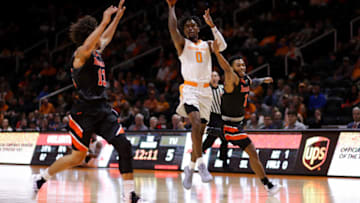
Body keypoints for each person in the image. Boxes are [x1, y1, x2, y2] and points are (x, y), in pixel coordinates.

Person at [32, 1, 142, 201]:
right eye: (97, 34)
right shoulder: (80, 54)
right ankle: (41, 178)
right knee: (77, 157)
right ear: (89, 35)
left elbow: (106, 37)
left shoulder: (97, 51)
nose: (101, 37)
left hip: (102, 109)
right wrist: (104, 20)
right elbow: (95, 40)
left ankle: (129, 195)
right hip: (83, 112)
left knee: (124, 145)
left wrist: (116, 18)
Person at [166, 0, 227, 189]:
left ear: (198, 28)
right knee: (195, 122)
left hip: (205, 91)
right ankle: (201, 164)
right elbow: (172, 29)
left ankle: (190, 167)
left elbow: (223, 46)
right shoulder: (182, 44)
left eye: (193, 25)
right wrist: (171, 8)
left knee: (199, 134)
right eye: (187, 26)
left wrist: (212, 26)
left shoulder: (208, 44)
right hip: (190, 89)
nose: (191, 28)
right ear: (184, 31)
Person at [212, 40, 280, 196]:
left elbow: (252, 83)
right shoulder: (231, 79)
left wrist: (263, 80)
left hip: (238, 124)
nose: (241, 67)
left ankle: (268, 185)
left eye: (243, 65)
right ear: (233, 68)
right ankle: (268, 185)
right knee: (252, 151)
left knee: (252, 153)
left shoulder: (246, 79)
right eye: (238, 65)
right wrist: (217, 53)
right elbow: (227, 69)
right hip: (228, 125)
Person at [202, 71, 229, 168]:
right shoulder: (206, 89)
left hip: (223, 116)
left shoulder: (223, 88)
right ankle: (224, 162)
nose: (214, 77)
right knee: (220, 137)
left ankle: (201, 150)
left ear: (219, 78)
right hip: (212, 116)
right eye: (212, 76)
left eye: (216, 75)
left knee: (218, 138)